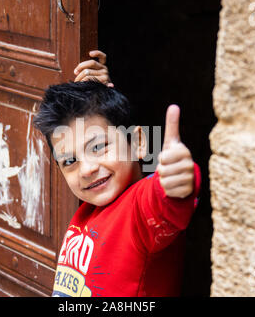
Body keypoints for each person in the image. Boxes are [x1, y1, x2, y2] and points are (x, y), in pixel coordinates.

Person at [33, 50, 201, 297]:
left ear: (139, 142)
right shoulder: (89, 210)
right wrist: (94, 97)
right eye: (70, 160)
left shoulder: (139, 209)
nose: (87, 169)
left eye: (99, 147)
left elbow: (164, 201)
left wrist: (177, 179)